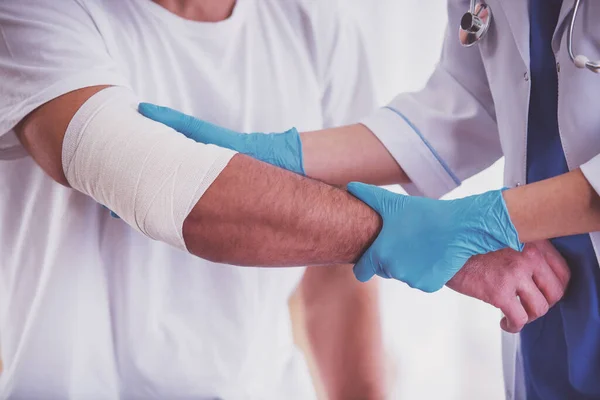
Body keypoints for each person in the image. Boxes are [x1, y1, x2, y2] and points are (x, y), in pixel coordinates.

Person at [0, 0, 570, 398]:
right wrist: (417, 237)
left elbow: (333, 278)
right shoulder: (35, 12)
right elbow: (161, 186)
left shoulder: (315, 24)